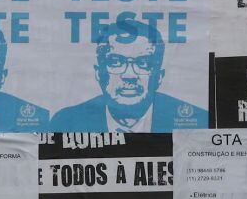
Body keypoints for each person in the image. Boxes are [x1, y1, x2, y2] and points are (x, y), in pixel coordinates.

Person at [50, 19, 207, 132]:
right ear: (99, 73)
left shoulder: (197, 122)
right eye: (116, 62)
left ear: (159, 76)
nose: (129, 75)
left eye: (143, 63)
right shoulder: (66, 123)